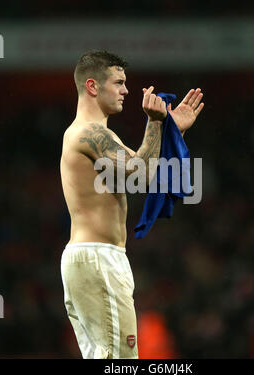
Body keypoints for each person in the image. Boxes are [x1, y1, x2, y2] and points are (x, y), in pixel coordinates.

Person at [60, 50, 204, 359]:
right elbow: (141, 170)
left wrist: (170, 129)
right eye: (119, 82)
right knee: (120, 361)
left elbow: (144, 171)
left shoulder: (92, 135)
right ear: (92, 86)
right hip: (98, 259)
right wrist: (155, 122)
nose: (126, 90)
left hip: (92, 259)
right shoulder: (90, 133)